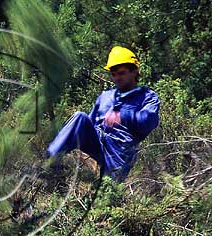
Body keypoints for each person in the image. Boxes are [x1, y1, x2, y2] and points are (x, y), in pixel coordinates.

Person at [46, 46, 160, 181]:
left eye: (121, 73)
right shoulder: (105, 96)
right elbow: (89, 123)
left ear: (134, 72)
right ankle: (48, 163)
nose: (117, 78)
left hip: (119, 153)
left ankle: (105, 181)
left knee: (108, 189)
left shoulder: (147, 96)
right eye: (113, 74)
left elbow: (150, 120)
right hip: (98, 143)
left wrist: (123, 116)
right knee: (80, 117)